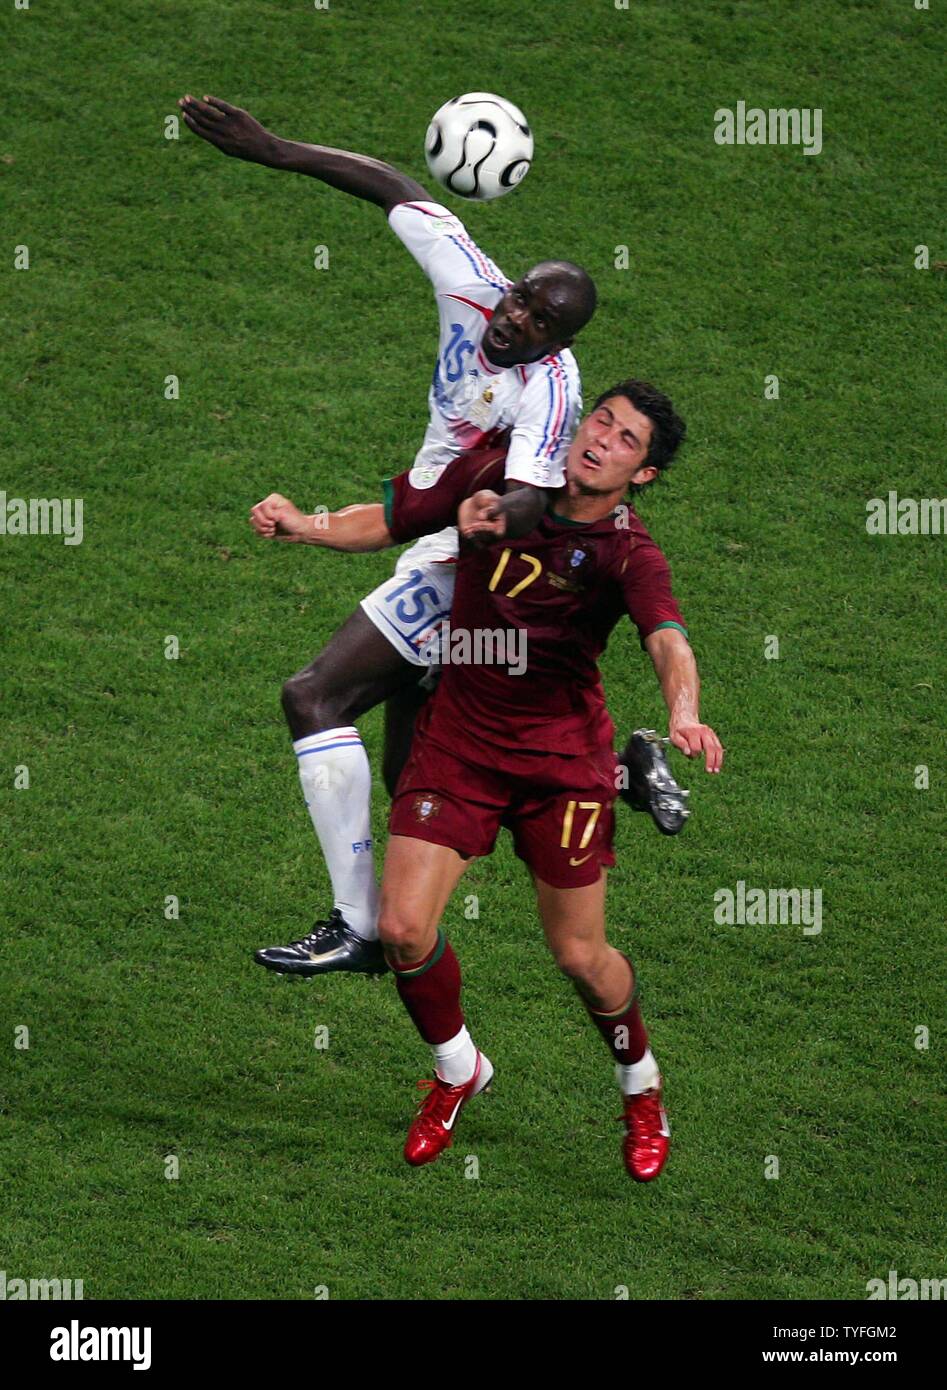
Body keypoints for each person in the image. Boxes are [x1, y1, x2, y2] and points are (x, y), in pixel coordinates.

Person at [248, 380, 724, 1179]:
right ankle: (457, 1070)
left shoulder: (627, 553)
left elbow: (666, 638)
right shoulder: (500, 474)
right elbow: (394, 521)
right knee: (399, 929)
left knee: (578, 955)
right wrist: (304, 526)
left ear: (641, 474)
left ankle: (640, 1087)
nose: (600, 439)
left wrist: (685, 711)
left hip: (559, 764)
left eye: (625, 440)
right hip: (462, 744)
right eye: (599, 420)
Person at [179, 94, 599, 974]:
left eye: (538, 321)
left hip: (474, 570)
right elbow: (390, 186)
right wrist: (271, 148)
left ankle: (359, 926)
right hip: (438, 540)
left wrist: (489, 514)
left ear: (556, 341)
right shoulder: (470, 282)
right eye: (521, 299)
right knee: (420, 769)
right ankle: (427, 988)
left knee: (314, 697)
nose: (516, 318)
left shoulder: (551, 393)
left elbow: (524, 496)